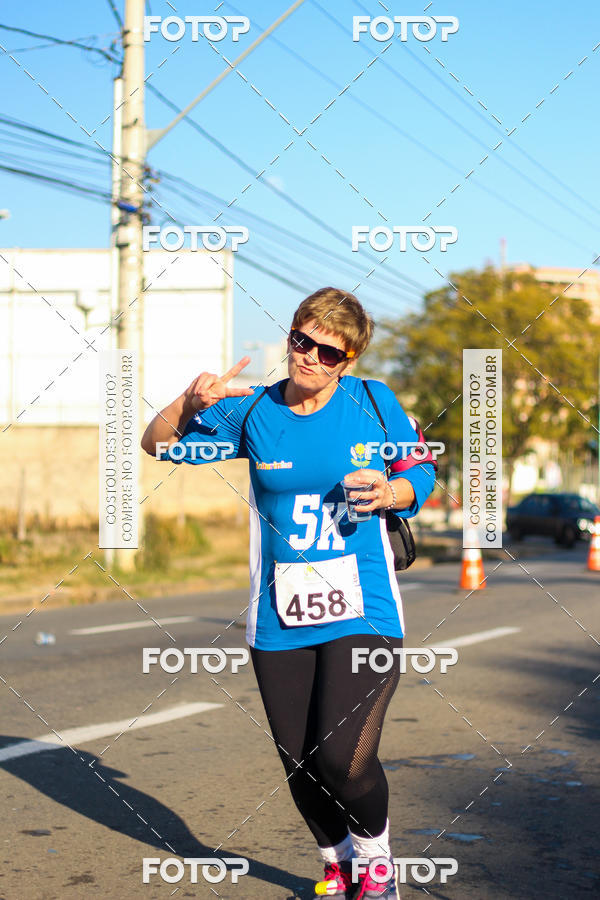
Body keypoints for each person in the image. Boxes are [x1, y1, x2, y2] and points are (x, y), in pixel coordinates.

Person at [141, 287, 436, 899]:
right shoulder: (252, 412)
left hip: (364, 608)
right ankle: (338, 863)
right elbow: (157, 444)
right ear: (291, 337)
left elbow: (422, 471)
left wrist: (393, 495)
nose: (311, 359)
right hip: (278, 617)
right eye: (303, 342)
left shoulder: (374, 404)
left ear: (348, 361)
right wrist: (187, 402)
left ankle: (377, 864)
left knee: (342, 760)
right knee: (300, 761)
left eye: (330, 353)